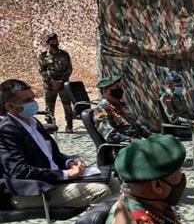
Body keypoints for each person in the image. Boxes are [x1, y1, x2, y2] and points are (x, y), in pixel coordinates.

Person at [0, 79, 113, 208]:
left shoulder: (33, 122)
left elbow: (51, 155)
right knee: (100, 191)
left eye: (33, 98)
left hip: (54, 181)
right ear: (10, 106)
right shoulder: (6, 131)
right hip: (32, 191)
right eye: (27, 101)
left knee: (112, 181)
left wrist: (69, 162)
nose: (33, 103)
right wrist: (66, 174)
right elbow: (19, 171)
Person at [94, 74, 152, 144]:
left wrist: (152, 136)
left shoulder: (120, 105)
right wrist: (136, 141)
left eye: (120, 87)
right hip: (123, 148)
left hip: (136, 145)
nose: (120, 90)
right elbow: (111, 136)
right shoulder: (101, 110)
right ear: (105, 91)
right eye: (117, 87)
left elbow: (137, 127)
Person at [38, 32, 73, 133]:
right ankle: (50, 126)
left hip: (63, 85)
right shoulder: (43, 56)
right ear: (48, 43)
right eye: (53, 41)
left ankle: (69, 125)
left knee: (67, 105)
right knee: (49, 106)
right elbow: (41, 70)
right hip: (49, 86)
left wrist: (61, 80)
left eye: (56, 41)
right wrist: (51, 81)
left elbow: (69, 69)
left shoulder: (64, 54)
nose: (55, 43)